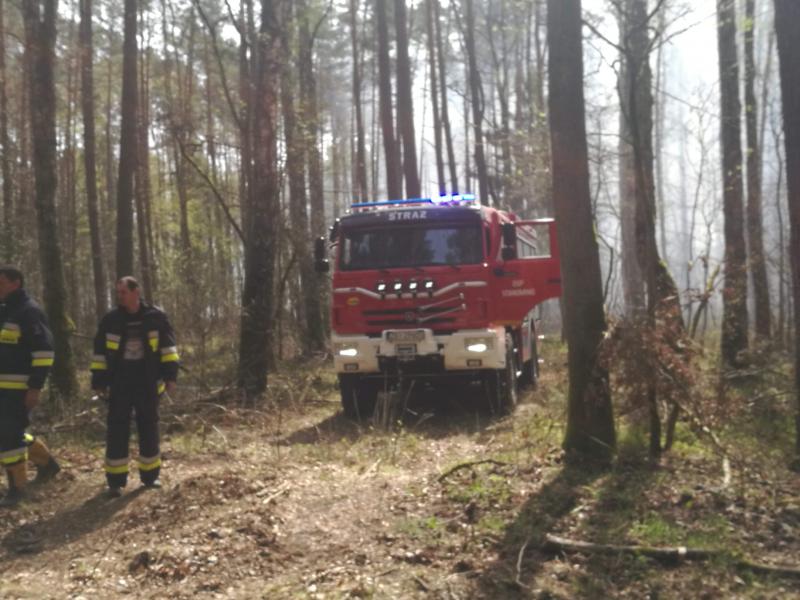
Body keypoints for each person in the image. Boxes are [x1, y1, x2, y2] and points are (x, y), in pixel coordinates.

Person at [91, 276, 179, 497]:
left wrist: (170, 376)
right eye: (117, 293)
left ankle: (150, 477)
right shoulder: (110, 320)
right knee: (117, 429)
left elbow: (168, 348)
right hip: (119, 382)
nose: (119, 296)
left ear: (135, 291)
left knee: (148, 426)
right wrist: (99, 381)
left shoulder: (156, 317)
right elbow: (100, 353)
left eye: (123, 292)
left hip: (147, 381)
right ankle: (115, 481)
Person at [0, 266, 60, 507]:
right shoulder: (6, 311)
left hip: (19, 389)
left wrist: (35, 387)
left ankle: (17, 489)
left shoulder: (29, 312)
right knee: (9, 432)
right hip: (2, 388)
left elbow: (44, 352)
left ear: (16, 283)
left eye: (1, 282)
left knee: (8, 434)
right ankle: (47, 464)